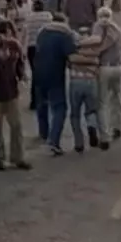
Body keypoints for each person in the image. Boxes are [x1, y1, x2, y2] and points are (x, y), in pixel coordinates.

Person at [0, 20, 31, 171]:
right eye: (4, 32)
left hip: (11, 91)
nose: (7, 36)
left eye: (10, 32)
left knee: (16, 126)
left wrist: (21, 75)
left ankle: (18, 157)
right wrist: (0, 58)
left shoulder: (14, 45)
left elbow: (19, 63)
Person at [33, 13, 77, 154]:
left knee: (41, 104)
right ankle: (54, 141)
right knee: (59, 107)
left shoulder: (42, 32)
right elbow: (71, 55)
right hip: (55, 74)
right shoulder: (65, 35)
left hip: (38, 72)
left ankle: (43, 132)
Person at [68, 27, 106, 152]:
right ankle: (92, 130)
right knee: (91, 111)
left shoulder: (74, 47)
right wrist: (91, 62)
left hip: (76, 82)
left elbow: (71, 59)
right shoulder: (94, 49)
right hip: (91, 81)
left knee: (75, 114)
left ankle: (79, 143)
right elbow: (96, 60)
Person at [93, 7, 121, 140]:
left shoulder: (99, 27)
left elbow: (97, 46)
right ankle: (117, 127)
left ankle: (104, 132)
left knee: (101, 102)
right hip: (118, 68)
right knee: (117, 98)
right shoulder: (119, 30)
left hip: (105, 67)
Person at [24, 0, 53, 110]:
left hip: (32, 47)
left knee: (35, 74)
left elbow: (26, 32)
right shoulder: (48, 16)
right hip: (46, 47)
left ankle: (34, 101)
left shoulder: (29, 17)